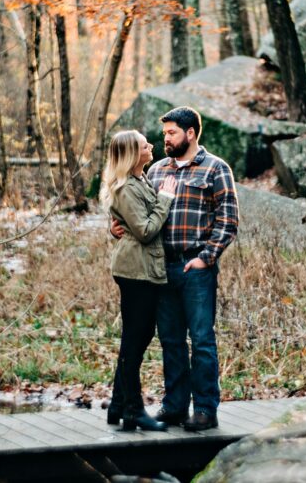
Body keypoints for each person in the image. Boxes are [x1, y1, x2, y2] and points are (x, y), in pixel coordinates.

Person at [111, 107, 239, 431]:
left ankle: (205, 410)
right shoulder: (154, 171)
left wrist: (207, 257)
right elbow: (133, 210)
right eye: (164, 133)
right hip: (160, 269)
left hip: (195, 268)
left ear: (190, 133)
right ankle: (174, 407)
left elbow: (228, 219)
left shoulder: (215, 169)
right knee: (170, 341)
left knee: (202, 340)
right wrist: (112, 227)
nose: (165, 139)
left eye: (171, 133)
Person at [101, 130, 178, 431]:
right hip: (136, 271)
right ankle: (133, 410)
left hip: (143, 268)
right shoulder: (125, 187)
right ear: (134, 153)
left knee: (137, 338)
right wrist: (166, 199)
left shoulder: (139, 180)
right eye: (145, 145)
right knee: (135, 341)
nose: (151, 146)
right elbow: (145, 230)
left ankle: (118, 405)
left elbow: (131, 223)